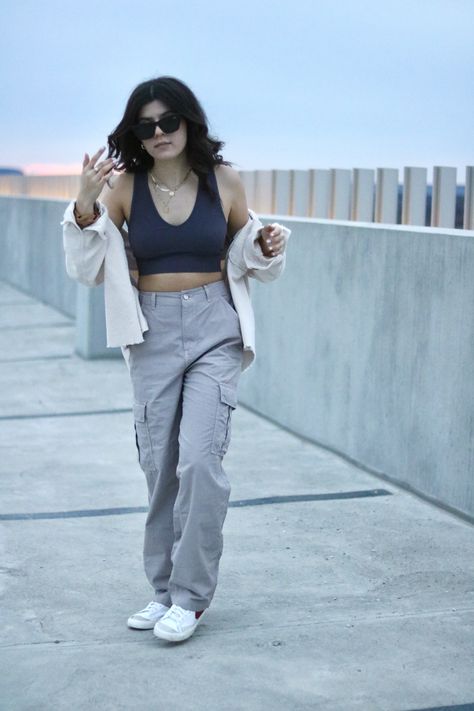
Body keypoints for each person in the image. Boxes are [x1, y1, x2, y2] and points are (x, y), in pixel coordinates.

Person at [62, 76, 290, 643]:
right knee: (159, 466)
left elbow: (248, 247)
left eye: (168, 121)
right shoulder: (125, 188)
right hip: (151, 331)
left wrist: (267, 245)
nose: (159, 133)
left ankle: (190, 599)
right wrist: (85, 202)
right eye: (146, 125)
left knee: (200, 462)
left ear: (189, 121)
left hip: (216, 325)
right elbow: (86, 266)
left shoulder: (224, 180)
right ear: (135, 132)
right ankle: (162, 589)